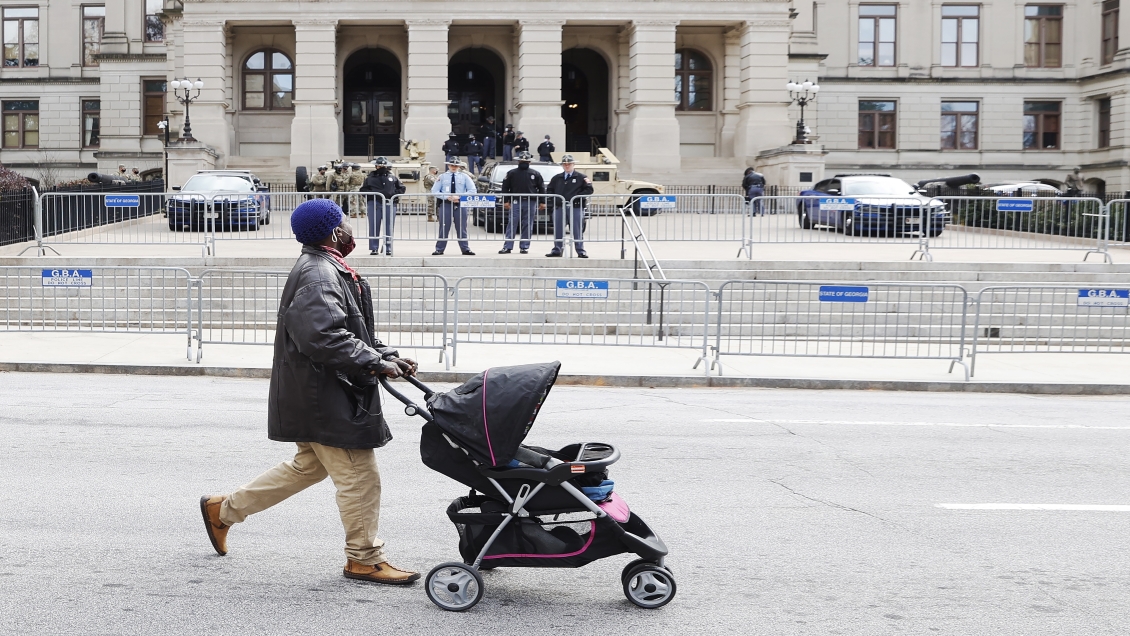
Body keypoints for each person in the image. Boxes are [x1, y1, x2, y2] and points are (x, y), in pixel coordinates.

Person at [199, 197, 421, 586]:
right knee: (359, 478)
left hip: (316, 391)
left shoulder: (327, 268)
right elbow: (323, 337)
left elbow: (349, 331)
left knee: (307, 467)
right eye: (345, 222)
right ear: (333, 232)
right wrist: (374, 362)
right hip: (327, 396)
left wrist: (384, 354)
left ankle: (224, 510)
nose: (351, 227)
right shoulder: (319, 274)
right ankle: (364, 558)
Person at [546, 154, 594, 258]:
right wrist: (555, 199)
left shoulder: (581, 177)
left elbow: (589, 189)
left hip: (575, 207)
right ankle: (557, 250)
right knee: (558, 229)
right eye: (565, 164)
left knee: (577, 230)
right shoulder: (557, 178)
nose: (567, 166)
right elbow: (549, 190)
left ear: (573, 164)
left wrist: (576, 197)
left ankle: (580, 250)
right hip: (560, 207)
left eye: (569, 164)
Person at [499, 151, 545, 255]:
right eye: (522, 160)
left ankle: (524, 247)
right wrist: (506, 200)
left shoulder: (535, 173)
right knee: (512, 223)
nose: (524, 162)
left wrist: (542, 201)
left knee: (527, 224)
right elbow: (505, 187)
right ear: (518, 161)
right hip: (516, 201)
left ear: (530, 162)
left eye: (526, 161)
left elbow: (541, 188)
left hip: (530, 202)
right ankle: (508, 247)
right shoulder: (512, 173)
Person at [430, 160, 477, 256]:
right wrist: (446, 197)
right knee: (444, 227)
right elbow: (435, 191)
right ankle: (439, 249)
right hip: (446, 203)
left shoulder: (464, 177)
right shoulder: (442, 177)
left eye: (456, 165)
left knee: (462, 227)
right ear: (448, 165)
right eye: (452, 165)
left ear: (459, 166)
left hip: (460, 204)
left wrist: (459, 197)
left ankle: (465, 248)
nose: (454, 167)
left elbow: (472, 190)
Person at [361, 157, 405, 256]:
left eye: (383, 166)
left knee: (389, 226)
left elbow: (402, 188)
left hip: (389, 203)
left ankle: (388, 247)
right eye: (379, 166)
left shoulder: (392, 177)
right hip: (374, 203)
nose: (381, 167)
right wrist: (375, 194)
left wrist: (393, 194)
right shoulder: (370, 178)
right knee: (374, 226)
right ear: (376, 166)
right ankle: (374, 248)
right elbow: (363, 190)